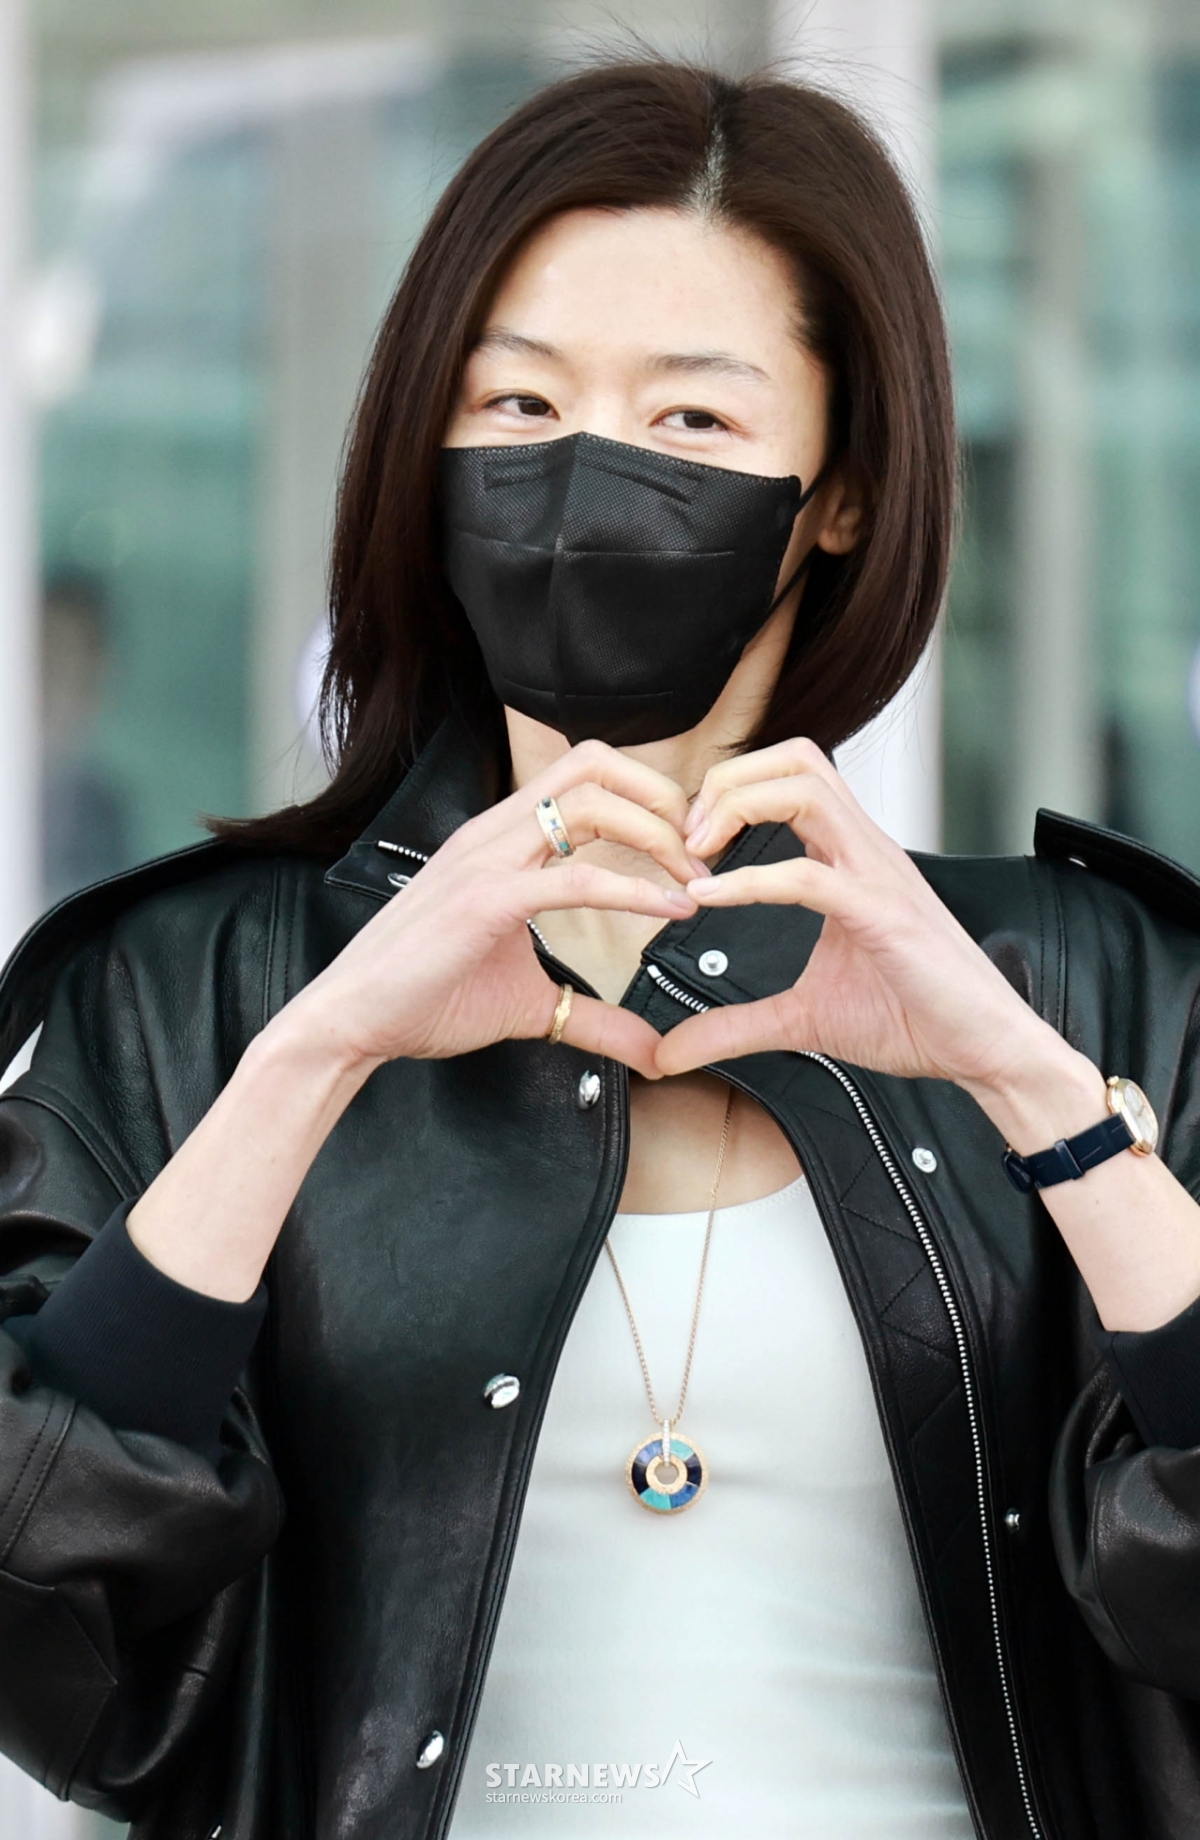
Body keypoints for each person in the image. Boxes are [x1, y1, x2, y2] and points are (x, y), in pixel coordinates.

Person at [0, 56, 1199, 1840]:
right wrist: (314, 1057)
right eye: (518, 401)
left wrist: (1039, 1092)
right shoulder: (192, 988)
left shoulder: (1096, 979)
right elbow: (39, 1613)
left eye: (694, 419)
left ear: (842, 490)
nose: (584, 480)